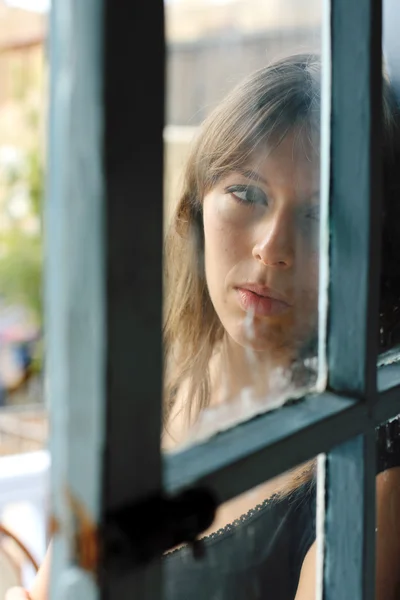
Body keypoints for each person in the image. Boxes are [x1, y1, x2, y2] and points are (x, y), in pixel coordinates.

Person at [7, 53, 400, 600]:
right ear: (195, 206)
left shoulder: (366, 477)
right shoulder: (152, 389)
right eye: (248, 194)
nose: (272, 247)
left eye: (318, 215)